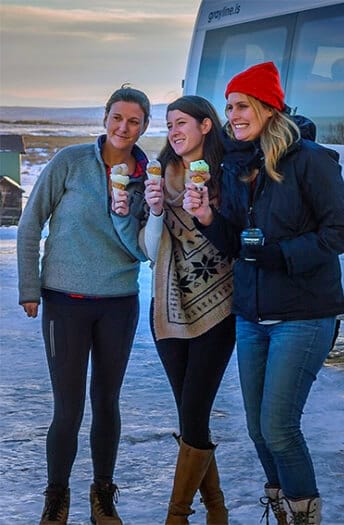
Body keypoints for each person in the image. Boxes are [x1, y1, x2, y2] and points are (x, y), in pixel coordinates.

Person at [182, 62, 344, 525]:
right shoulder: (238, 167)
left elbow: (341, 231)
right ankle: (282, 509)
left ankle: (303, 515)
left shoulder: (311, 161)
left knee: (279, 427)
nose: (232, 116)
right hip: (251, 315)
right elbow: (236, 245)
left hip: (304, 314)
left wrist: (279, 255)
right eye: (228, 108)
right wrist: (206, 218)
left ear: (267, 107)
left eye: (241, 106)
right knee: (259, 431)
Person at [17, 85, 151, 525]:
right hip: (64, 302)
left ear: (144, 126)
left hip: (118, 303)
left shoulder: (146, 179)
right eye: (117, 117)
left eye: (133, 121)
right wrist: (30, 288)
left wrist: (134, 209)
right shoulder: (71, 162)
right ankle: (56, 499)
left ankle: (102, 496)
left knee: (107, 401)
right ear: (105, 118)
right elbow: (30, 222)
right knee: (68, 407)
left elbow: (147, 245)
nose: (123, 127)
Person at [140, 95, 235, 525]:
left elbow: (233, 239)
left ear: (206, 126)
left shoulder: (228, 174)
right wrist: (156, 210)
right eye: (168, 124)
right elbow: (147, 248)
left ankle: (177, 515)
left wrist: (207, 212)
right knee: (189, 414)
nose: (174, 130)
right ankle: (216, 509)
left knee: (194, 410)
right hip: (168, 306)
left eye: (181, 123)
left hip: (219, 305)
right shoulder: (161, 175)